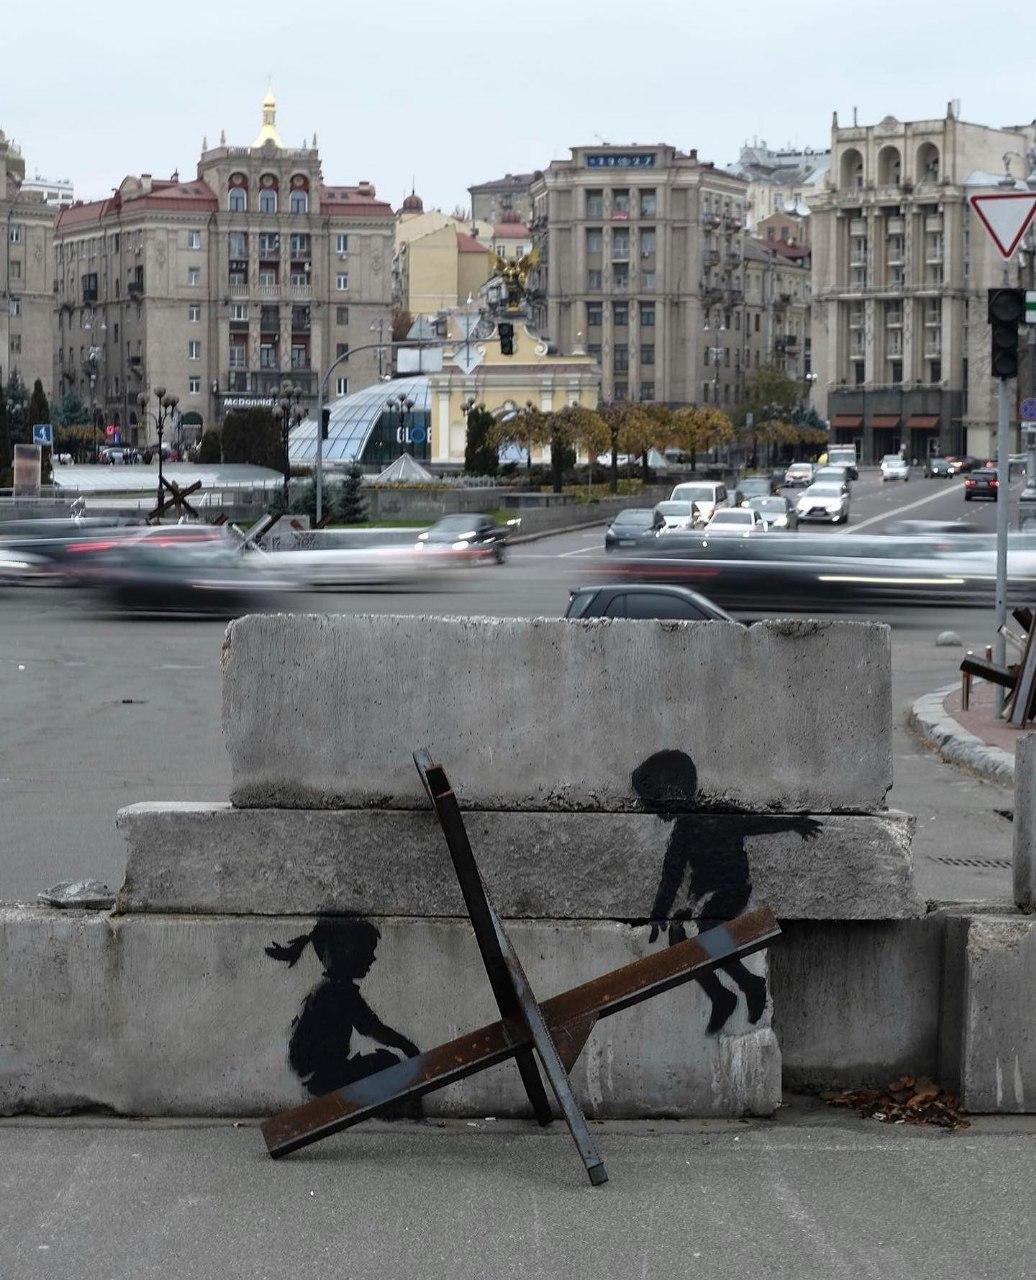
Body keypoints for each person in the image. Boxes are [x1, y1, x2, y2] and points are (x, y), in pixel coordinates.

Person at [632, 749, 820, 1034]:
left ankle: (749, 985)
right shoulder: (682, 831)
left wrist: (794, 822)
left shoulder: (717, 816)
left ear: (672, 792)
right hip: (705, 899)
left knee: (707, 927)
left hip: (732, 891)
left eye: (653, 801)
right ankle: (721, 996)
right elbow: (670, 877)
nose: (652, 810)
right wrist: (659, 914)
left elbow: (757, 823)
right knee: (678, 934)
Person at [266, 917, 419, 1096]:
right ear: (349, 953)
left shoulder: (330, 989)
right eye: (367, 952)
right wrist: (408, 1047)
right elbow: (374, 1029)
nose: (373, 958)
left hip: (319, 1077)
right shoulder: (340, 993)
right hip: (326, 1081)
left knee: (385, 1065)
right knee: (388, 1064)